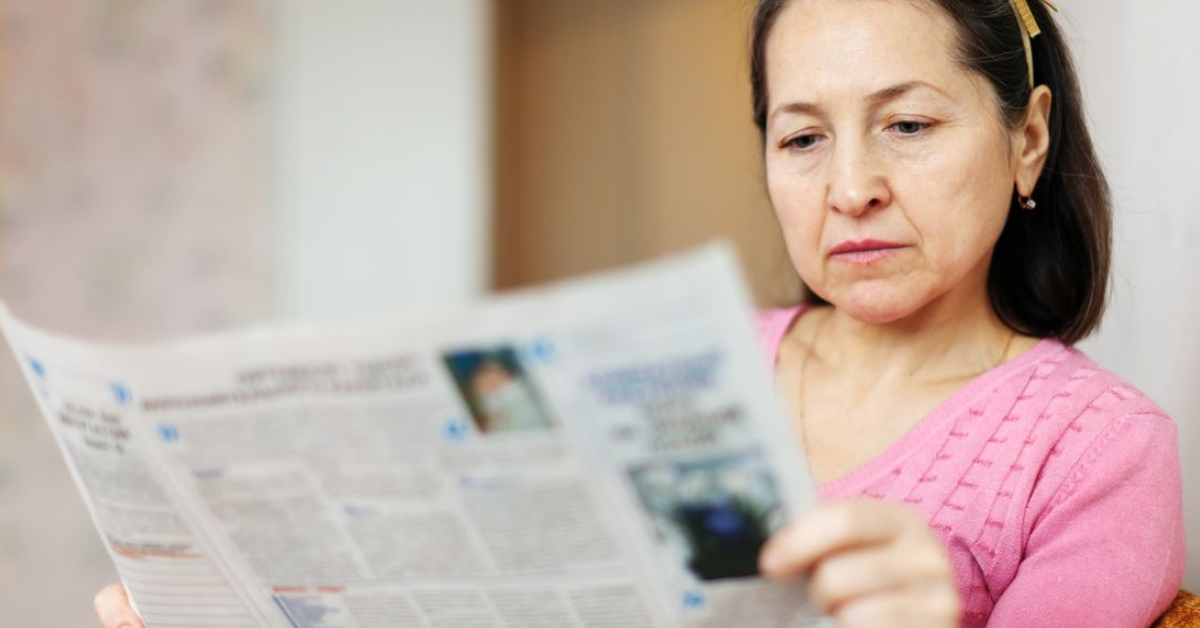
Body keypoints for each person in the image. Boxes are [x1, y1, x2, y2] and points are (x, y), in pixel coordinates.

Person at [95, 0, 1185, 627]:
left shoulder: (1099, 450)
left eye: (906, 124)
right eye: (802, 138)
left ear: (1027, 137)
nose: (849, 186)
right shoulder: (675, 367)